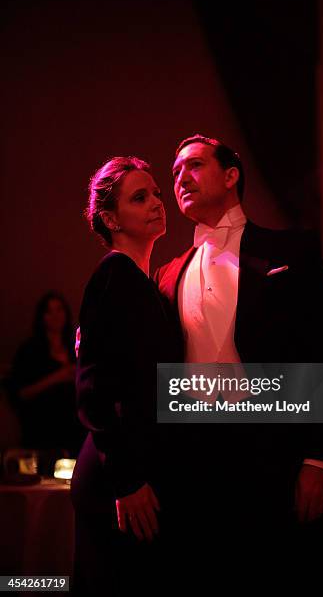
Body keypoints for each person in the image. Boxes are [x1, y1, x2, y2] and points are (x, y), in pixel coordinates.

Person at [154, 134, 323, 590]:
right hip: (194, 463)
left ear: (230, 175)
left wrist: (320, 459)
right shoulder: (166, 274)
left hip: (276, 452)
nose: (181, 177)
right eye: (175, 172)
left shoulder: (292, 253)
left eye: (195, 165)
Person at [70, 156, 183, 594]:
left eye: (156, 192)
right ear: (110, 218)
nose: (158, 201)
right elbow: (94, 390)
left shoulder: (143, 284)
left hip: (128, 469)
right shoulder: (114, 275)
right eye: (141, 197)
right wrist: (127, 478)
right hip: (115, 475)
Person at [6, 292, 83, 468]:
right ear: (42, 317)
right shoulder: (30, 351)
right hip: (42, 424)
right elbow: (21, 393)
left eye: (59, 309)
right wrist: (58, 376)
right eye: (49, 311)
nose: (55, 315)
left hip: (73, 424)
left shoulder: (75, 348)